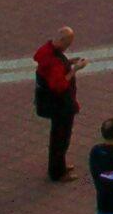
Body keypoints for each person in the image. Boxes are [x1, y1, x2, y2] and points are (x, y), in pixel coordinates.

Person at [33, 27, 84, 181]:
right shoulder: (54, 61)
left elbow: (55, 68)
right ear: (62, 41)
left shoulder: (47, 51)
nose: (68, 47)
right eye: (68, 43)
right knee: (61, 138)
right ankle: (57, 172)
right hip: (60, 106)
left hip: (51, 103)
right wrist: (75, 69)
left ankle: (59, 165)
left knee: (58, 136)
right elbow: (60, 84)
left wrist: (68, 63)